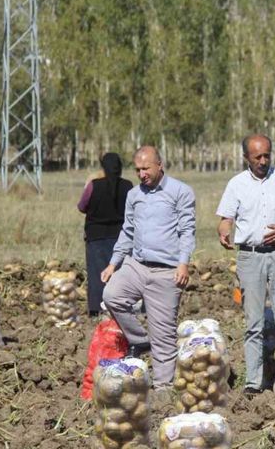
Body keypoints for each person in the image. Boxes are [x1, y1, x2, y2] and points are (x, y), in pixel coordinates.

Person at [216, 134, 275, 396]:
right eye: (258, 157)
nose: (263, 161)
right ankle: (253, 382)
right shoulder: (236, 184)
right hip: (250, 257)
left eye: (267, 155)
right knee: (253, 323)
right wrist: (224, 231)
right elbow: (225, 218)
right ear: (246, 158)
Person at [100, 147, 195, 390]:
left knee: (163, 337)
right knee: (112, 296)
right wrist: (114, 263)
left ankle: (163, 389)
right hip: (136, 265)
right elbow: (128, 230)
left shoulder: (181, 192)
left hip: (167, 271)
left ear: (160, 165)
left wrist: (183, 263)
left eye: (146, 169)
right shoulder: (134, 195)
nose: (142, 174)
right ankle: (140, 341)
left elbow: (187, 231)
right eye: (138, 170)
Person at [78, 153, 134, 317]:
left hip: (96, 237)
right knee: (121, 274)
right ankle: (121, 308)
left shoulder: (93, 186)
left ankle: (96, 310)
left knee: (97, 275)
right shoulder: (128, 186)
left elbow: (82, 206)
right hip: (121, 237)